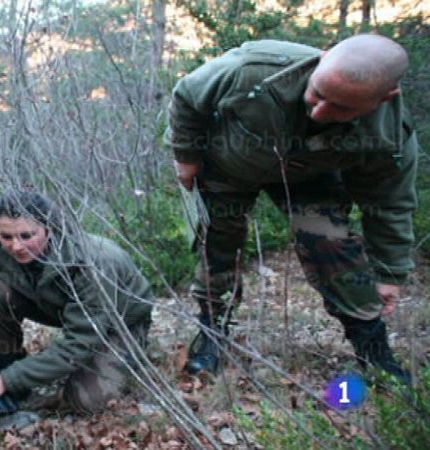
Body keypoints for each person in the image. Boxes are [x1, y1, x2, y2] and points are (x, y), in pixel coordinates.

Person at [163, 34, 417, 382]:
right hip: (228, 164)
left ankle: (374, 352)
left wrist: (390, 272)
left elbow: (389, 202)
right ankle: (213, 332)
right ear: (323, 58)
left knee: (331, 243)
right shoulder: (252, 71)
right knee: (217, 246)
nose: (320, 111)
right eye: (318, 93)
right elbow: (187, 97)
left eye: (341, 108)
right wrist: (186, 157)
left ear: (384, 97)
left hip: (308, 177)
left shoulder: (389, 133)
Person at [0, 191, 154, 413]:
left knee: (86, 401)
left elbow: (80, 342)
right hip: (66, 309)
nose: (16, 246)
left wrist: (7, 380)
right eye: (6, 237)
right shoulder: (4, 250)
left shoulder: (91, 264)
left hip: (120, 321)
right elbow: (0, 291)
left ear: (49, 229)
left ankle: (132, 350)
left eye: (26, 236)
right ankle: (9, 360)